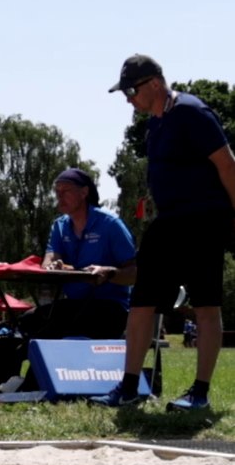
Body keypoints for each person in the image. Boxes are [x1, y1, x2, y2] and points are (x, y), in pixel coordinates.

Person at [91, 55, 235, 410]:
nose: (128, 99)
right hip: (168, 223)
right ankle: (128, 388)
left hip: (204, 221)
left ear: (154, 83)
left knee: (205, 305)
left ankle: (199, 394)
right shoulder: (154, 125)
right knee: (141, 304)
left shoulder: (192, 112)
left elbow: (227, 164)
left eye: (131, 90)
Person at [17, 168, 137, 341]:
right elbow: (49, 260)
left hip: (110, 308)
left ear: (84, 192)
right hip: (74, 305)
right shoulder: (59, 226)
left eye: (65, 191)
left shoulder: (110, 224)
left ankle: (41, 366)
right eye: (57, 192)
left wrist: (109, 273)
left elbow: (134, 273)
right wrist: (55, 265)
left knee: (54, 324)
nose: (59, 197)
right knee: (28, 321)